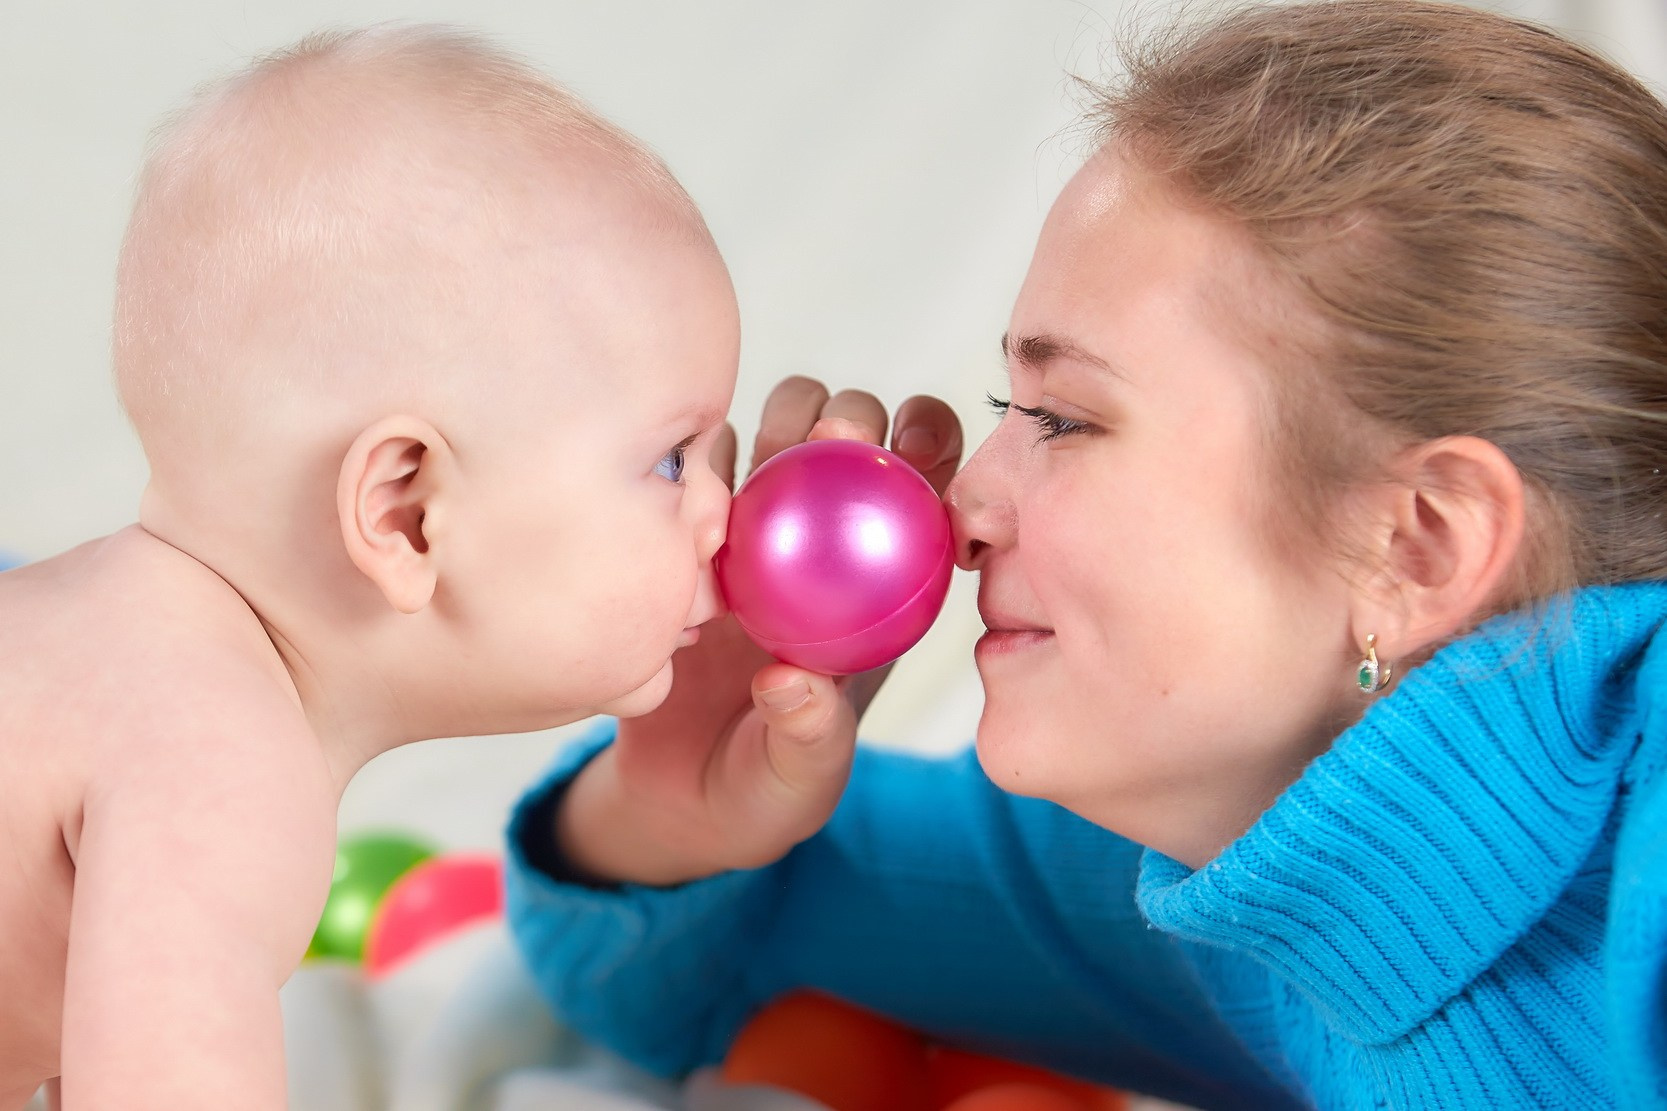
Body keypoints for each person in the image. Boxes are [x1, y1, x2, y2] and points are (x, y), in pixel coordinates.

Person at [503, 1, 1667, 1107]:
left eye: (1061, 419)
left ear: (1414, 546)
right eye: (1005, 402)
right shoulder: (1243, 854)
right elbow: (691, 969)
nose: (958, 505)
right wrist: (674, 804)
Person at [0, 25, 784, 1110]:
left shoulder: (111, 647)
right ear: (406, 510)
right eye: (670, 458)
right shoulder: (220, 759)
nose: (724, 512)